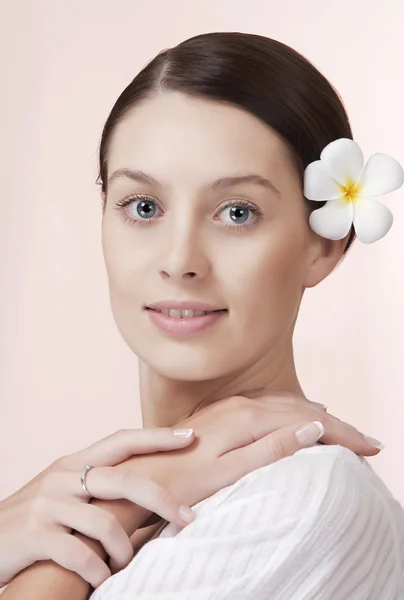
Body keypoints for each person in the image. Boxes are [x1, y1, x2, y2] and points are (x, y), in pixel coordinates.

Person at [2, 31, 404, 599]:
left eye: (237, 212)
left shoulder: (303, 498)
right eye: (143, 207)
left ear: (327, 245)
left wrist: (112, 506)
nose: (179, 261)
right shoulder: (89, 507)